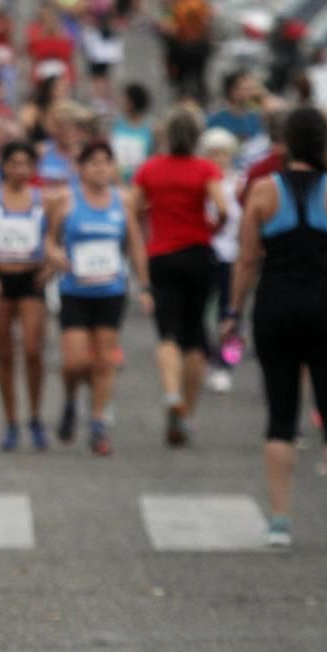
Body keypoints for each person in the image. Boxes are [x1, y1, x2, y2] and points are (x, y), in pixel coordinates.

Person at [223, 105, 327, 551]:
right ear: (326, 144)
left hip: (278, 305)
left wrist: (232, 313)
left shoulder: (264, 191)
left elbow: (248, 258)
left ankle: (280, 520)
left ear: (285, 144)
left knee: (282, 415)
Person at [130, 108, 228, 446]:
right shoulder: (206, 168)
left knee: (167, 332)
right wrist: (213, 228)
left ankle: (171, 394)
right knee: (196, 336)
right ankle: (187, 412)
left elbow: (133, 207)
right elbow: (223, 207)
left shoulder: (150, 169)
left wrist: (151, 214)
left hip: (163, 254)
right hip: (199, 253)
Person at [54, 142, 149, 455]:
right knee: (75, 362)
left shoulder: (123, 201)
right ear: (80, 168)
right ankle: (70, 401)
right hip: (75, 291)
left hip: (111, 290)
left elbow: (135, 244)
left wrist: (145, 287)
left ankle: (97, 422)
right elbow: (48, 241)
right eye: (93, 162)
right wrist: (58, 258)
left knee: (105, 359)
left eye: (106, 163)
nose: (100, 169)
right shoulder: (67, 200)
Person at [0, 141, 63, 451]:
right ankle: (11, 421)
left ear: (33, 168)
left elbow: (53, 240)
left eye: (26, 163)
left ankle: (35, 416)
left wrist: (50, 268)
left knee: (34, 348)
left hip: (31, 280)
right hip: (0, 279)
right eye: (15, 163)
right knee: (4, 352)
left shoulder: (44, 200)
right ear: (4, 166)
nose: (20, 169)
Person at [200, 127, 244, 394]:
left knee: (230, 313)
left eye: (223, 154)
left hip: (233, 255)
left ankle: (227, 365)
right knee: (200, 312)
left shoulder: (239, 182)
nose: (218, 158)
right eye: (213, 153)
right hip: (206, 253)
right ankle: (209, 357)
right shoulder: (202, 182)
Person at [109, 83, 153, 184]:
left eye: (124, 99)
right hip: (116, 182)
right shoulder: (116, 125)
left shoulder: (150, 129)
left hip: (139, 182)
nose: (121, 102)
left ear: (132, 103)